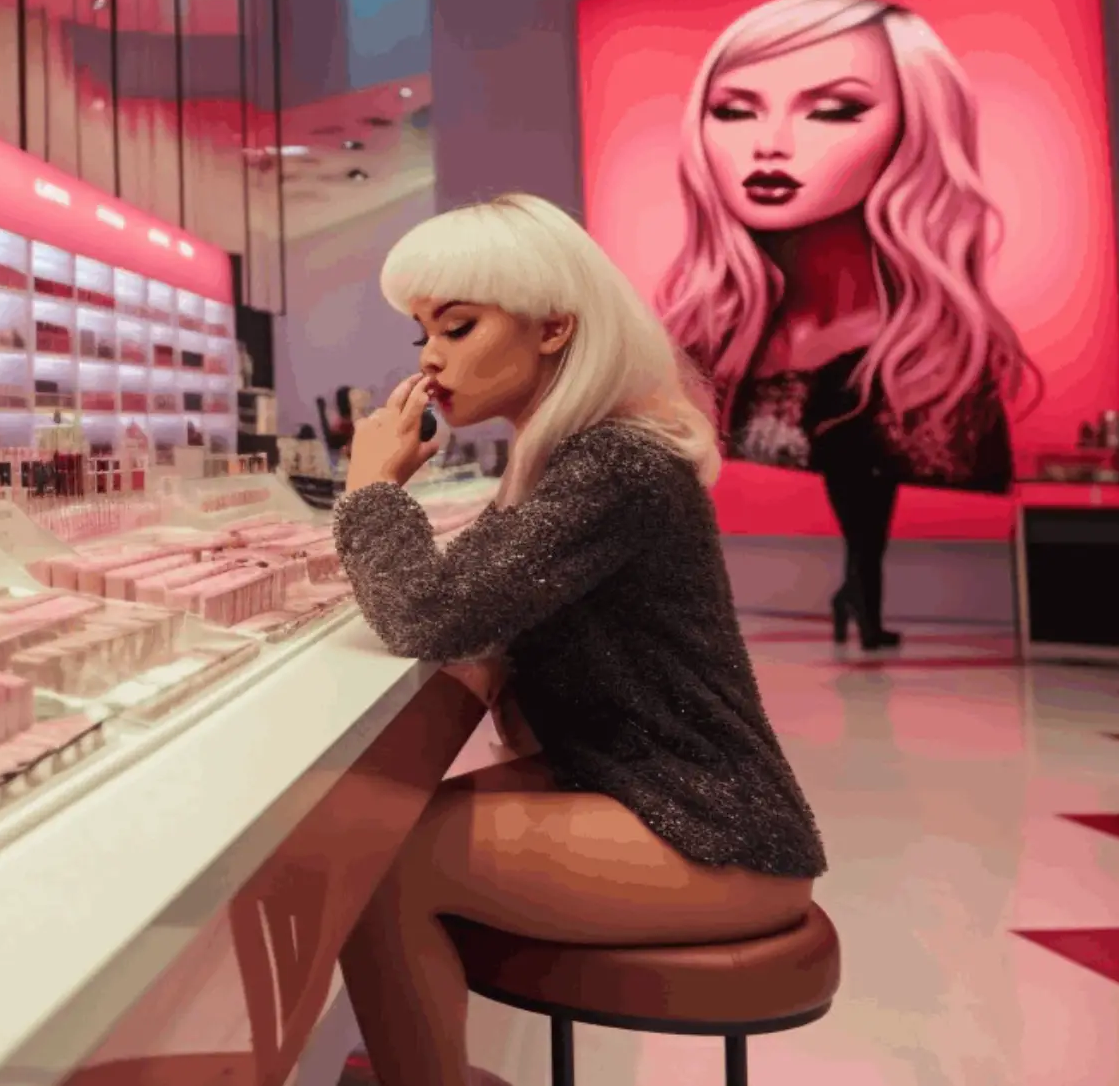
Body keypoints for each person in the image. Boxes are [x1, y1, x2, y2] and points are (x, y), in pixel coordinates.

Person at [332, 194, 826, 1086]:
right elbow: (457, 596)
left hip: (712, 827)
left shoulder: (615, 463)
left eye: (458, 326)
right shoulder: (572, 455)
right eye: (423, 333)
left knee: (381, 860)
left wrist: (372, 488)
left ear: (554, 327)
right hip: (642, 787)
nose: (430, 356)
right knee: (377, 828)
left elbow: (427, 614)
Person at [654, 0, 1034, 646]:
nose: (770, 145)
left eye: (833, 111)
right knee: (866, 528)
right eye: (735, 111)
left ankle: (859, 606)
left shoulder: (941, 368)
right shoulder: (701, 346)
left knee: (866, 528)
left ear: (913, 126)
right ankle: (859, 608)